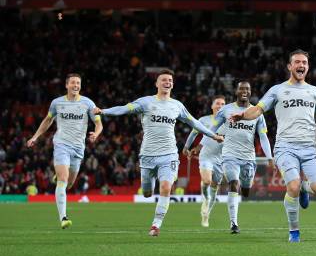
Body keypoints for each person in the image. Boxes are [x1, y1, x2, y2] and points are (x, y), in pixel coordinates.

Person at [229, 49, 316, 242]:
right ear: (290, 66)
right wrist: (242, 115)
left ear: (308, 67)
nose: (301, 65)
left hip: (309, 148)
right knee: (292, 185)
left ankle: (303, 189)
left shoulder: (314, 91)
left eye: (304, 63)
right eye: (297, 62)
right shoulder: (277, 90)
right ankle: (294, 231)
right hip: (285, 147)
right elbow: (257, 110)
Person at [96, 69, 223, 236]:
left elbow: (195, 123)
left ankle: (156, 225)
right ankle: (150, 185)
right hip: (147, 155)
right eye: (163, 80)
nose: (167, 82)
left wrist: (213, 135)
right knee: (148, 192)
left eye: (170, 80)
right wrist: (104, 111)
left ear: (172, 83)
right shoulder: (146, 102)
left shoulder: (177, 105)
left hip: (169, 154)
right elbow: (125, 108)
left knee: (165, 188)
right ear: (157, 83)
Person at [27, 73, 103, 229]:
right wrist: (35, 137)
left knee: (69, 184)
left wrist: (96, 133)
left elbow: (98, 123)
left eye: (78, 83)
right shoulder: (57, 103)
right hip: (61, 144)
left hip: (78, 148)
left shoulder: (88, 103)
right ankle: (63, 218)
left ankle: (60, 177)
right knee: (63, 179)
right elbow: (48, 120)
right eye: (73, 83)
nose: (76, 86)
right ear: (66, 85)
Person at [203, 81, 273, 234]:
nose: (244, 91)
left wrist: (269, 157)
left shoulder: (256, 112)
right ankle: (234, 223)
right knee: (234, 184)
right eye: (241, 88)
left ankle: (245, 187)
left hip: (248, 156)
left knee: (246, 190)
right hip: (229, 155)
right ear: (236, 91)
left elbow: (263, 137)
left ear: (250, 91)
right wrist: (200, 145)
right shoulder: (226, 110)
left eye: (247, 88)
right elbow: (212, 129)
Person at [182, 95, 227, 227]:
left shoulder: (229, 122)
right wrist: (186, 147)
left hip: (220, 159)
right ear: (212, 106)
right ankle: (205, 199)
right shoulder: (204, 120)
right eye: (218, 103)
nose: (220, 106)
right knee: (206, 180)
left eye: (223, 104)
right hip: (206, 156)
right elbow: (193, 134)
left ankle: (206, 213)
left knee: (214, 187)